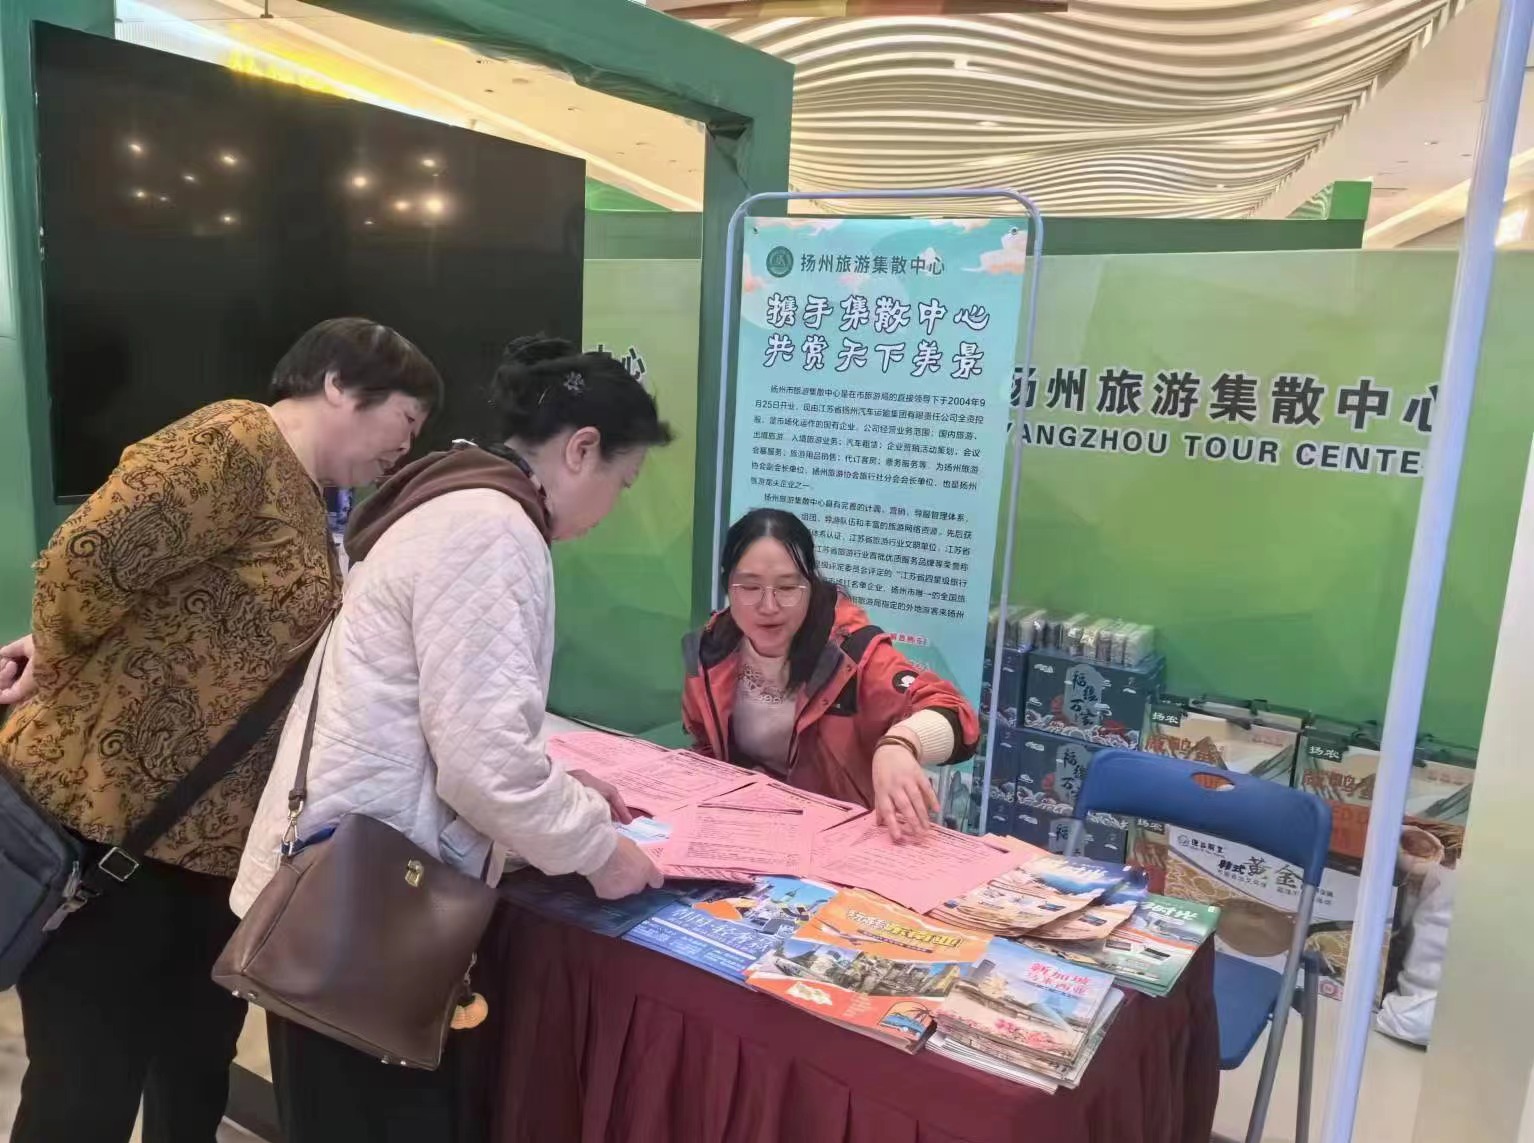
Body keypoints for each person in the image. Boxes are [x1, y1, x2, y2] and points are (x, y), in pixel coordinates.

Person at [0, 317, 442, 1143]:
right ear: (340, 385)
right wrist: (56, 656)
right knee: (85, 1091)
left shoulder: (313, 498)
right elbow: (84, 559)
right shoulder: (235, 442)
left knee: (193, 1073)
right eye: (405, 420)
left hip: (207, 862)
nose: (405, 446)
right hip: (109, 837)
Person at [232, 335, 672, 1143]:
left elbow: (455, 721)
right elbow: (481, 767)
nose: (614, 505)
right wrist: (600, 850)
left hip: (349, 889)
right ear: (582, 450)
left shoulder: (457, 504)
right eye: (624, 480)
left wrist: (564, 790)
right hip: (368, 914)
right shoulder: (493, 529)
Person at [682, 508, 979, 841]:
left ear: (810, 585)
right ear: (728, 586)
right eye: (750, 587)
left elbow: (954, 712)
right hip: (745, 833)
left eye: (787, 588)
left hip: (838, 840)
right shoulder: (712, 651)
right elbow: (707, 744)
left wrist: (900, 744)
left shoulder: (850, 654)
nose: (769, 606)